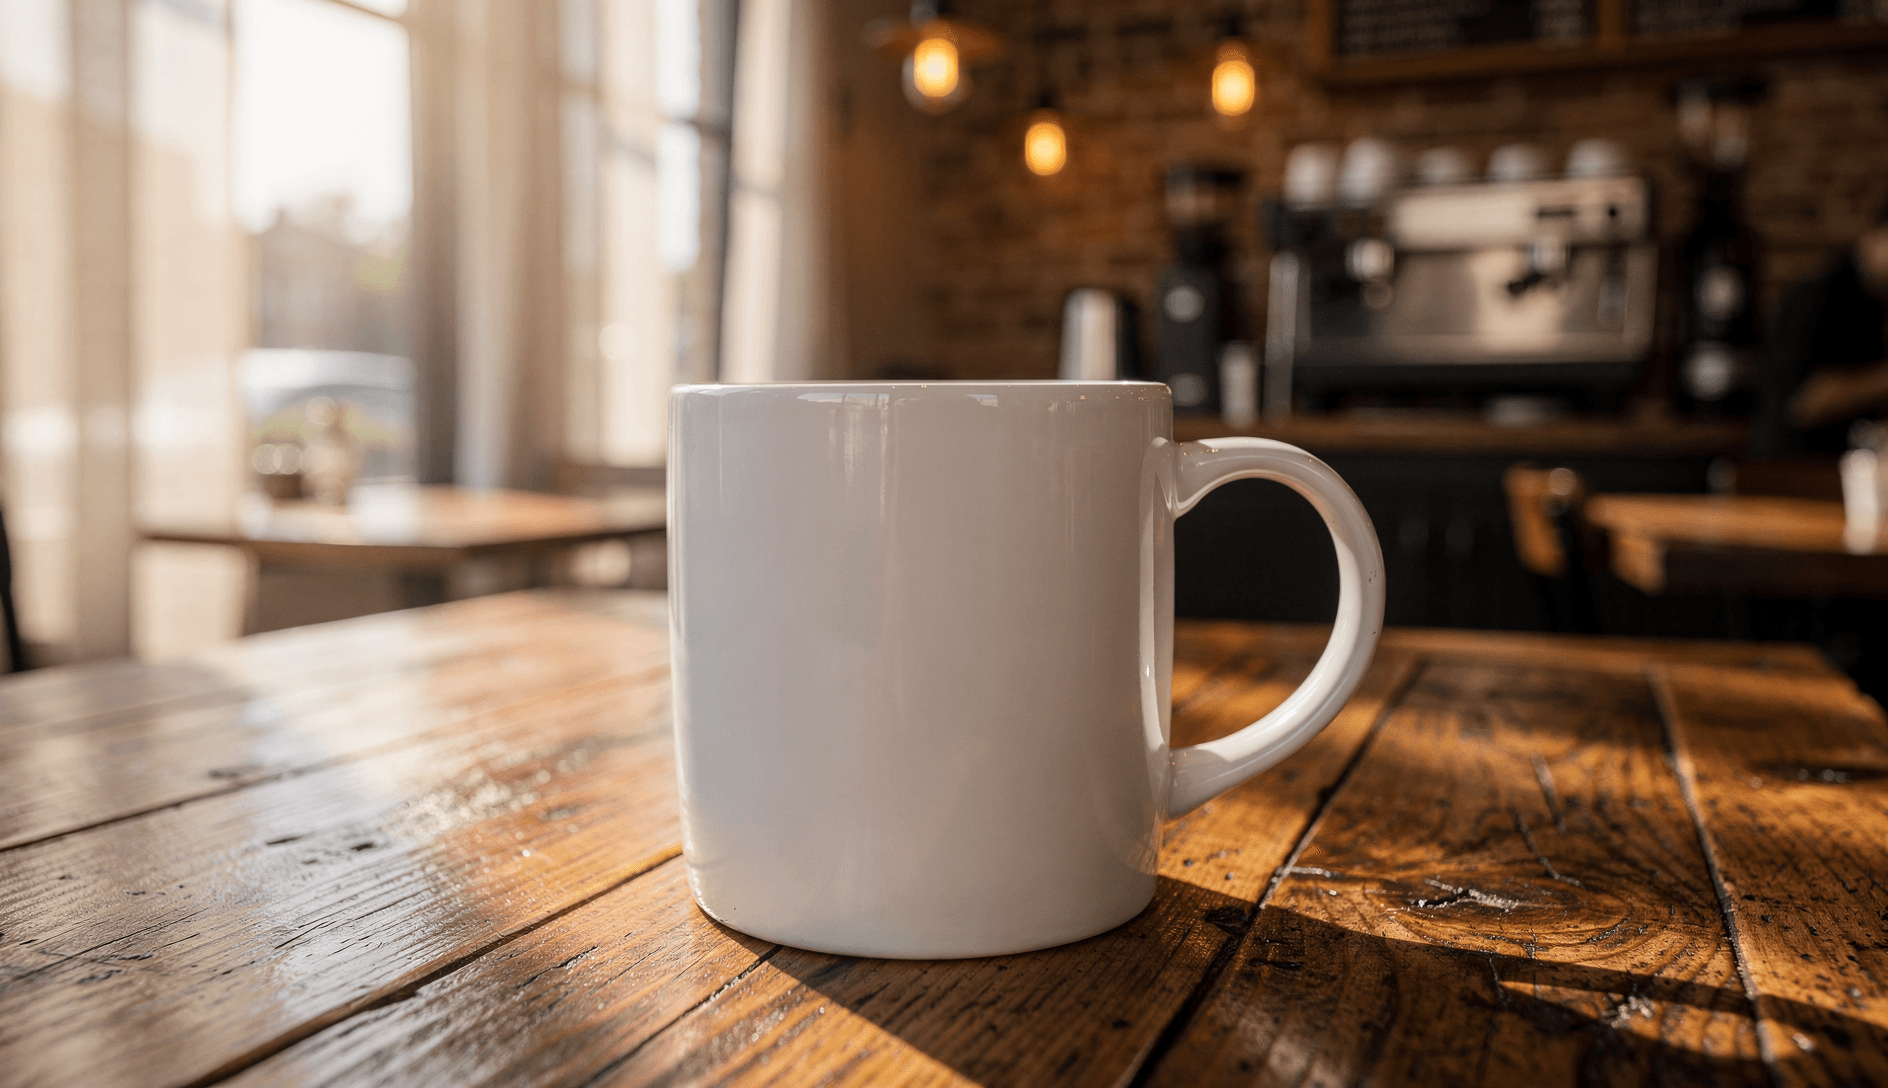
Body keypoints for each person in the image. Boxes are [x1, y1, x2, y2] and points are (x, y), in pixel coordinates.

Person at [1753, 203, 1888, 457]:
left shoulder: (1874, 301)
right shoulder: (1823, 296)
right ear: (1877, 234)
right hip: (1793, 472)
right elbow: (1802, 403)